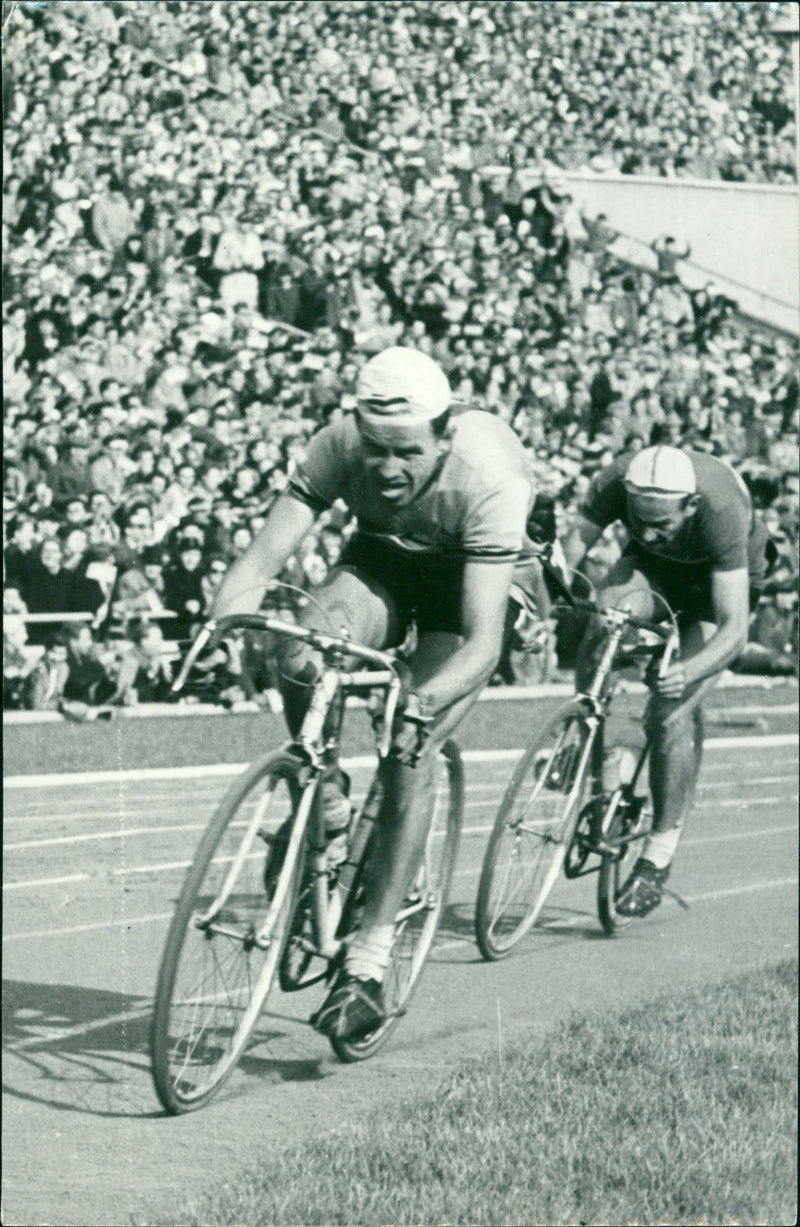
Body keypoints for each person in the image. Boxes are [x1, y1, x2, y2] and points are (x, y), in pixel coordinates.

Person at [206, 347, 538, 1040]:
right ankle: (322, 800)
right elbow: (264, 559)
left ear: (443, 435)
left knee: (407, 752)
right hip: (384, 558)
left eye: (407, 452)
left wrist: (422, 700)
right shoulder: (337, 444)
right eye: (375, 449)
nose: (387, 468)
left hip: (467, 583)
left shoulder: (489, 475)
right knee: (298, 651)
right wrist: (222, 619)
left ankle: (369, 961)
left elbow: (482, 643)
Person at [563, 444, 770, 918]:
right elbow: (570, 553)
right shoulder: (618, 480)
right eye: (642, 520)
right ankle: (602, 770)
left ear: (691, 506)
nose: (652, 533)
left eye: (664, 524)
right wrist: (539, 603)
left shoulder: (720, 508)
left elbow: (734, 629)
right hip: (656, 574)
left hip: (717, 588)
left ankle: (658, 852)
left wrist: (686, 672)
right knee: (606, 619)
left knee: (670, 713)